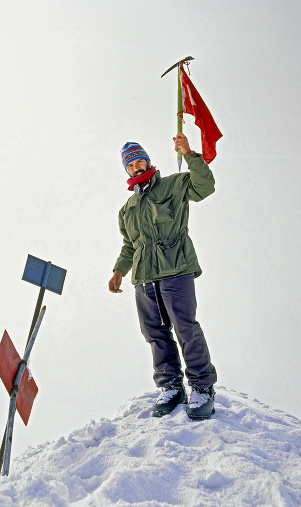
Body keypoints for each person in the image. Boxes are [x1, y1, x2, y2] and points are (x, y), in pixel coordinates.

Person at [109, 134, 217, 419]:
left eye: (138, 161)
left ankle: (202, 387)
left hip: (176, 270)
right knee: (154, 334)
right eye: (129, 165)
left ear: (147, 160)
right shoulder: (127, 210)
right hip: (144, 278)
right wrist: (119, 271)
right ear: (126, 170)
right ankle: (171, 386)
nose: (135, 167)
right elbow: (131, 245)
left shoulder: (174, 184)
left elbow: (205, 187)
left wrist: (190, 153)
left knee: (185, 329)